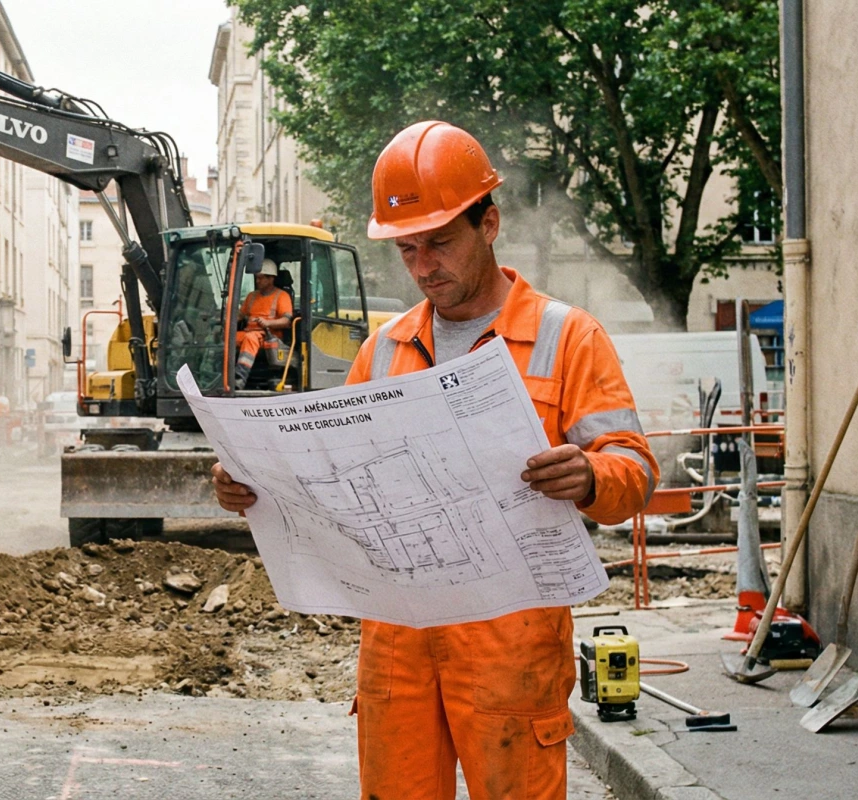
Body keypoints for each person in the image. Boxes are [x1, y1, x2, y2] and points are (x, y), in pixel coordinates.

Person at [211, 121, 656, 800]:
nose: (423, 267)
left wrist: (593, 475)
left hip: (511, 637)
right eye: (407, 249)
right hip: (399, 640)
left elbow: (636, 470)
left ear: (489, 224)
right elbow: (330, 477)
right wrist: (255, 485)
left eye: (440, 242)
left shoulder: (568, 337)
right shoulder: (383, 349)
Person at [233, 258, 294, 388]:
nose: (257, 281)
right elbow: (240, 315)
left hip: (269, 336)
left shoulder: (282, 296)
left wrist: (267, 323)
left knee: (250, 338)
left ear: (271, 279)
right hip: (249, 333)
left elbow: (286, 321)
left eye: (261, 278)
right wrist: (228, 320)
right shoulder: (251, 296)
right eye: (257, 278)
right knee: (227, 337)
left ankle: (239, 378)